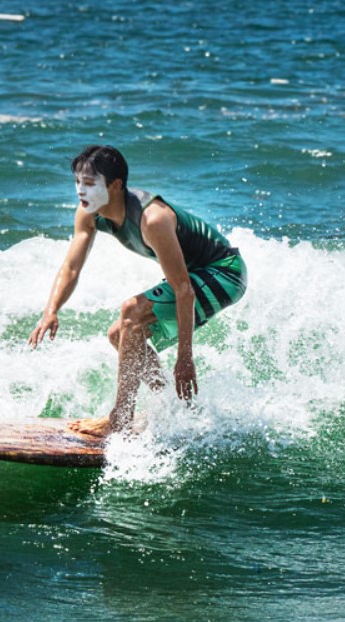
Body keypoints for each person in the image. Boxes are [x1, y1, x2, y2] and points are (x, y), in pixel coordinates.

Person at [28, 145, 247, 437]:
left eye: (90, 184)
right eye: (78, 182)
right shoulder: (89, 213)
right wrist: (51, 311)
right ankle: (172, 407)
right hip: (194, 276)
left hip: (224, 272)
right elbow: (71, 268)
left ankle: (120, 419)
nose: (81, 191)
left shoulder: (152, 219)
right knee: (120, 334)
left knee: (131, 311)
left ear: (116, 186)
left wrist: (185, 357)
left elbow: (184, 290)